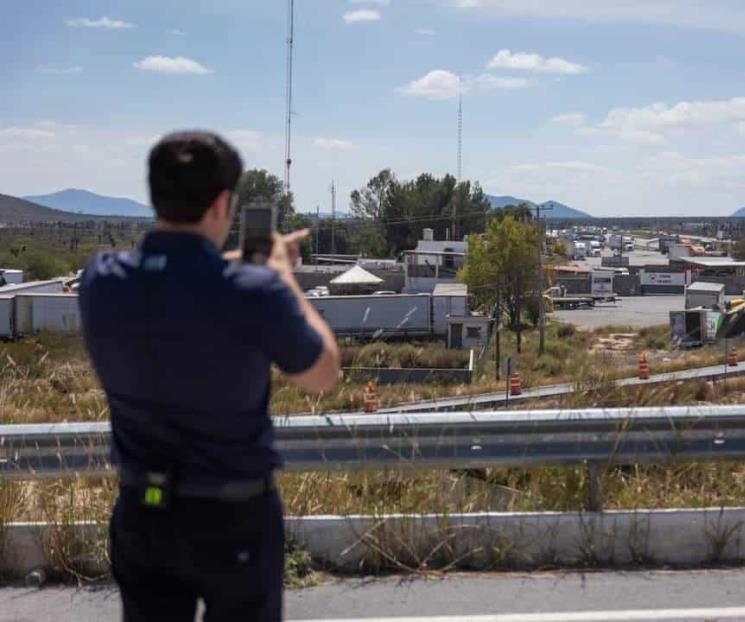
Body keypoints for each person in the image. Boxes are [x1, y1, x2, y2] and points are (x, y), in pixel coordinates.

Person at [78, 130, 340, 621]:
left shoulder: (101, 281)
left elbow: (176, 275)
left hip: (143, 511)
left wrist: (248, 264)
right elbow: (322, 375)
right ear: (223, 202)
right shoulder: (256, 293)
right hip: (233, 519)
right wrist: (280, 274)